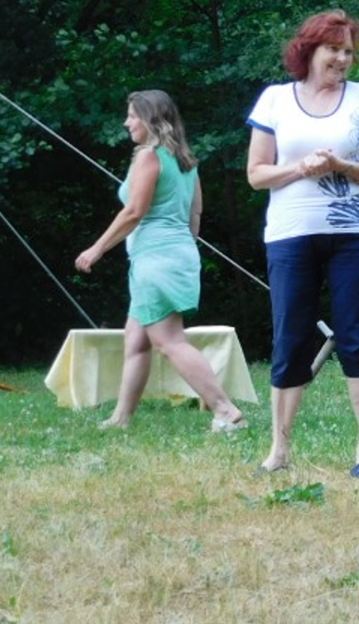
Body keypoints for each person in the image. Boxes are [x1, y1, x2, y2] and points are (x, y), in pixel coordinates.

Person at [246, 9, 359, 477]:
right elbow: (256, 175)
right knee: (290, 339)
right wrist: (301, 168)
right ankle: (279, 450)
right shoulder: (274, 100)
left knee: (356, 336)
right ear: (309, 50)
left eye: (349, 51)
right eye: (334, 49)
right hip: (290, 235)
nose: (343, 59)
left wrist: (343, 166)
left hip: (356, 236)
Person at [75, 90, 249, 432]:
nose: (126, 123)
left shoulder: (149, 156)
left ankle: (226, 410)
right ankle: (121, 418)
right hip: (177, 255)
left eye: (132, 116)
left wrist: (96, 249)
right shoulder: (185, 161)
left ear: (150, 119)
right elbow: (195, 213)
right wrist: (182, 249)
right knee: (136, 340)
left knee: (170, 342)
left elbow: (134, 212)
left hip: (156, 260)